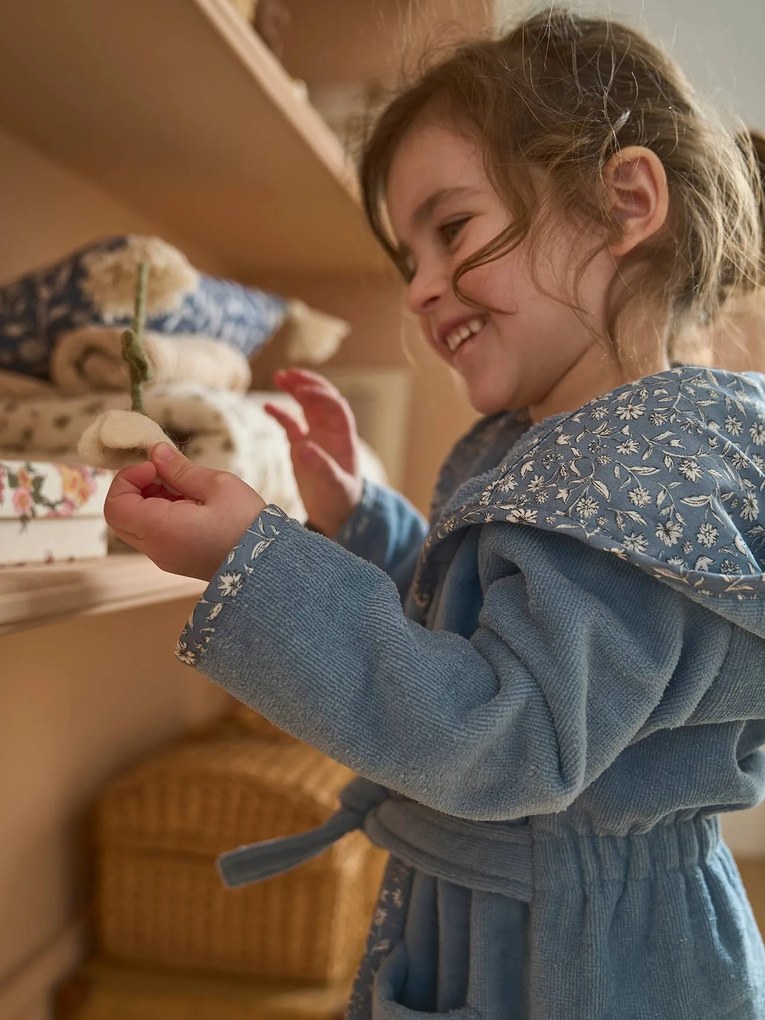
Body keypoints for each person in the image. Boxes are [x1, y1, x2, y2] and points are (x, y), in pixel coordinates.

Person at [104, 8, 765, 1018]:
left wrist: (256, 562)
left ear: (624, 202)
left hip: (591, 965)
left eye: (451, 229)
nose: (419, 292)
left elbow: (504, 731)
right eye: (407, 257)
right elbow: (502, 628)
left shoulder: (659, 476)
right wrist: (364, 520)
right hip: (507, 921)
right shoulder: (555, 445)